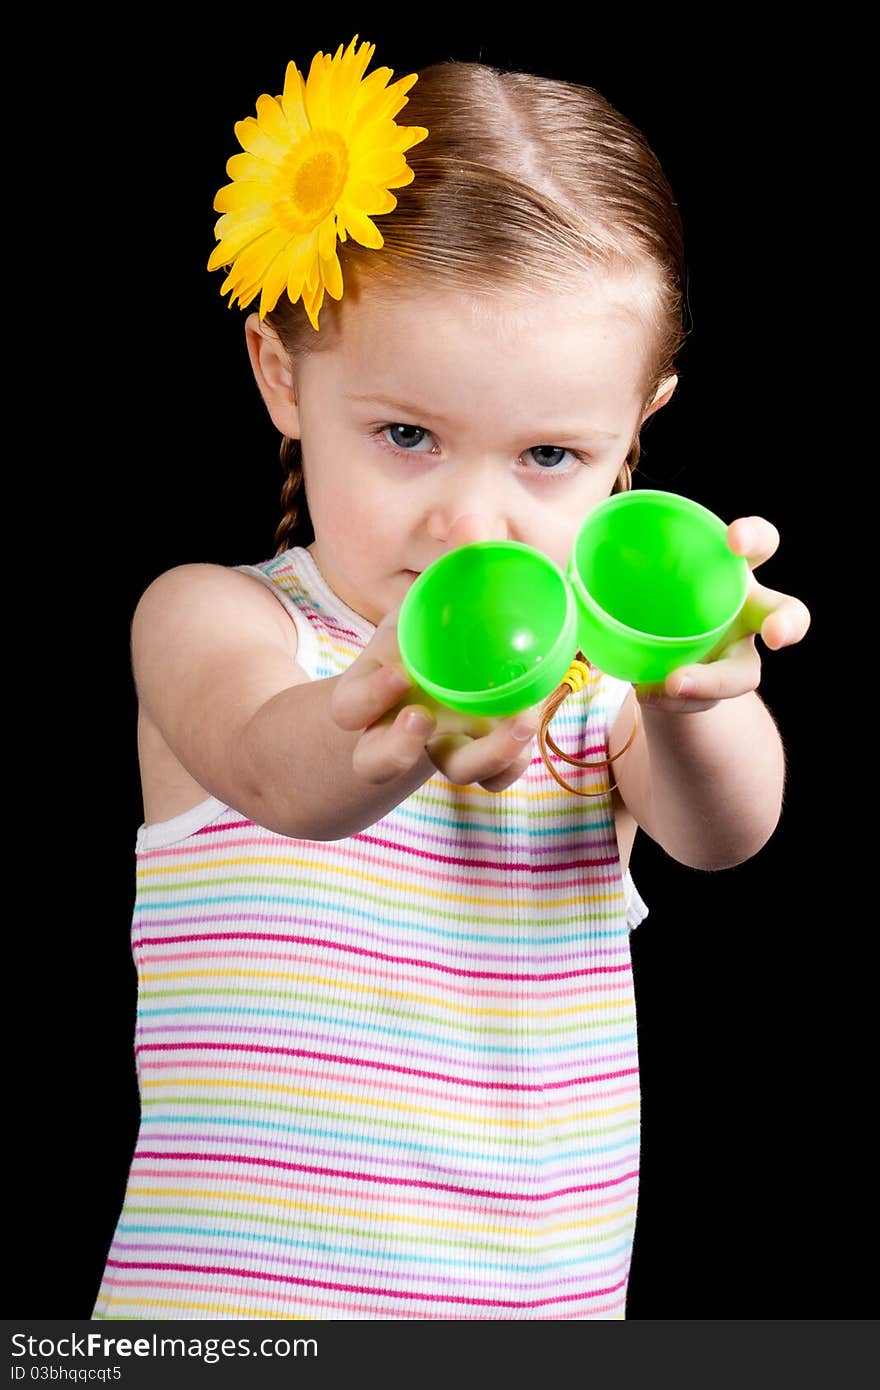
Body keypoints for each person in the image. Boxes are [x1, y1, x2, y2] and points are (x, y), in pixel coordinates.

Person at [92, 36, 810, 1321]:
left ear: (633, 433)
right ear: (281, 377)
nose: (475, 521)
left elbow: (724, 833)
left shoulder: (595, 688)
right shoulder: (222, 620)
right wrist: (408, 723)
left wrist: (700, 690)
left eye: (548, 453)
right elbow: (279, 768)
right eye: (409, 436)